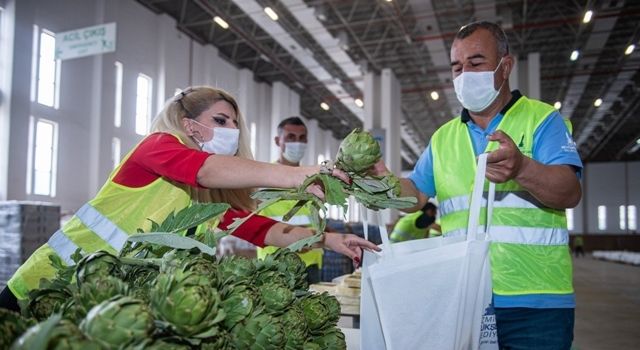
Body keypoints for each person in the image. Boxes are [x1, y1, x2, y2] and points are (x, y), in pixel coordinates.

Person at [0, 86, 378, 311]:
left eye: (234, 123)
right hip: (45, 284)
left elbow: (263, 231)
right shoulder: (157, 148)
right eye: (220, 120)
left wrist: (329, 239)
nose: (231, 129)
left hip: (101, 303)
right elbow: (204, 169)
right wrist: (299, 173)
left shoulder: (203, 202)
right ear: (188, 124)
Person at [372, 22, 582, 349]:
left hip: (535, 302)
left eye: (476, 62)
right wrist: (381, 184)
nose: (465, 74)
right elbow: (414, 194)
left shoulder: (542, 121)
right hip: (464, 296)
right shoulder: (444, 138)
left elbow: (569, 191)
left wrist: (522, 167)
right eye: (457, 67)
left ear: (505, 66)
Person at [257, 117, 324, 284]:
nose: (297, 143)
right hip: (275, 264)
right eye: (291, 137)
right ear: (277, 140)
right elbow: (255, 223)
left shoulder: (313, 179)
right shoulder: (263, 178)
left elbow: (315, 220)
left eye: (302, 138)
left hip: (310, 264)